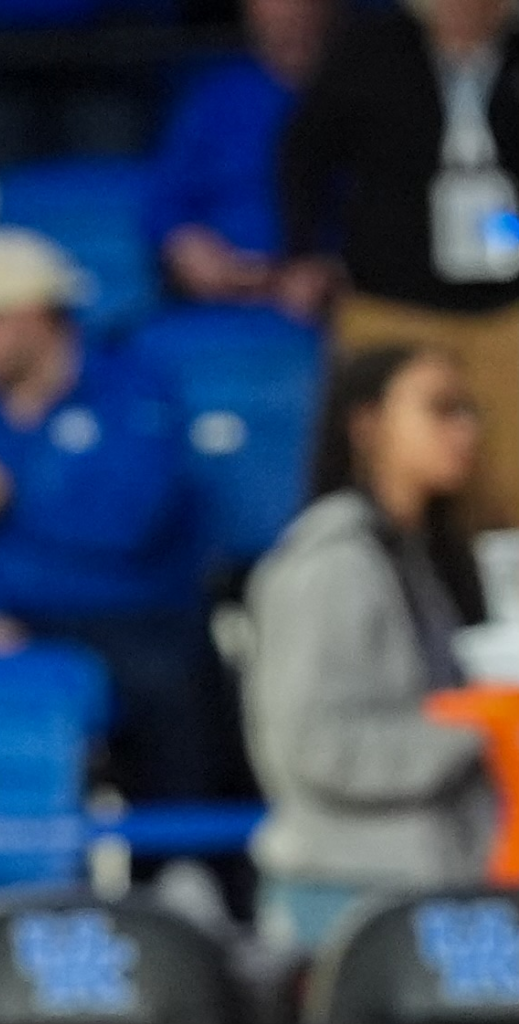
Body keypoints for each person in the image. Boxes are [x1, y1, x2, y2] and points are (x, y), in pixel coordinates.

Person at [0, 229, 214, 801]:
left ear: (33, 316)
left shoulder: (132, 387)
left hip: (132, 621)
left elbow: (130, 522)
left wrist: (8, 498)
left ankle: (183, 846)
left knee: (172, 688)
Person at [243, 344, 491, 952]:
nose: (464, 431)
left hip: (424, 887)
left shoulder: (418, 556)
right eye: (440, 409)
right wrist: (478, 728)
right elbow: (314, 746)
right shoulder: (330, 565)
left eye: (468, 411)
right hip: (342, 899)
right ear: (367, 423)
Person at [281, 0, 519, 524]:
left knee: (508, 479)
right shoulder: (373, 52)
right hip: (391, 302)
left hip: (508, 310)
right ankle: (377, 566)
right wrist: (304, 253)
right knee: (380, 478)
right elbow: (303, 152)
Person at [150, 0, 334, 306]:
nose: (291, 11)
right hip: (219, 301)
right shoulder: (215, 98)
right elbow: (165, 207)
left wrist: (335, 271)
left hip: (334, 306)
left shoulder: (371, 98)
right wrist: (185, 246)